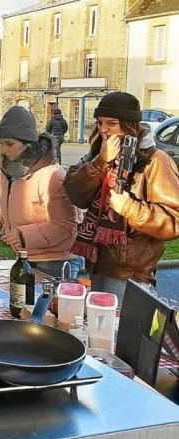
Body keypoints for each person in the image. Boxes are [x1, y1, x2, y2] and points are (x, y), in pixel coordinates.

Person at [63, 91, 179, 304]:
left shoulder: (155, 160)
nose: (104, 130)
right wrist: (100, 164)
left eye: (112, 123)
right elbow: (75, 194)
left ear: (130, 125)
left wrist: (130, 208)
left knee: (117, 331)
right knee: (95, 328)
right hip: (96, 261)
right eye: (100, 123)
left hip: (131, 271)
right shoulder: (98, 155)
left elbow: (174, 220)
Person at [0, 106, 78, 277]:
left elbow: (65, 225)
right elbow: (6, 202)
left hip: (54, 262)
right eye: (1, 143)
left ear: (28, 143)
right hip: (24, 256)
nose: (3, 150)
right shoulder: (5, 171)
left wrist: (23, 235)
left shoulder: (52, 176)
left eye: (9, 144)